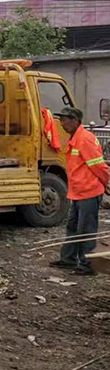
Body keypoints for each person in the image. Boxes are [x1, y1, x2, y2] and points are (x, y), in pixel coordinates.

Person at [51, 106, 109, 275]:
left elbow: (99, 167)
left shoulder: (85, 139)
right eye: (61, 120)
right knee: (73, 227)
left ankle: (88, 265)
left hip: (89, 192)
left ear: (76, 120)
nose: (62, 123)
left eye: (66, 120)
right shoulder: (76, 138)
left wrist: (105, 184)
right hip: (78, 192)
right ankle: (68, 259)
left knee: (86, 230)